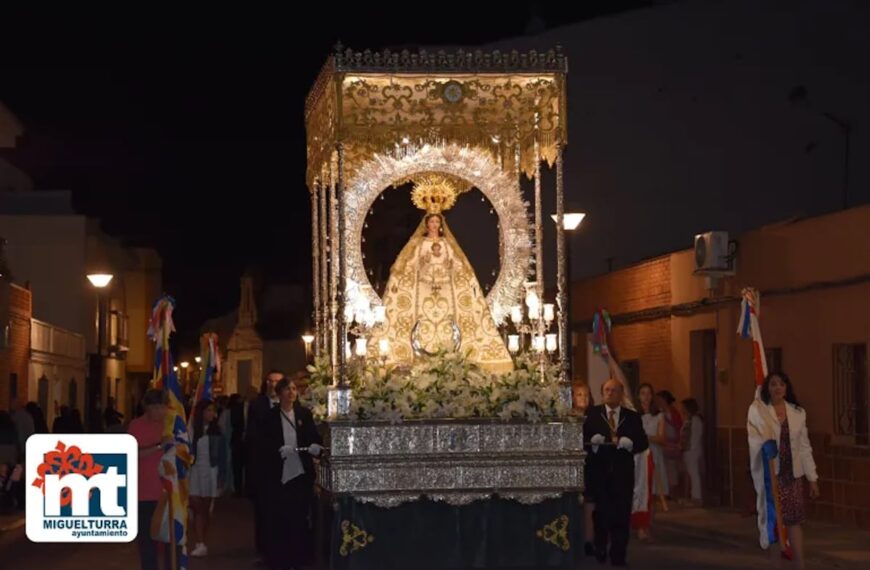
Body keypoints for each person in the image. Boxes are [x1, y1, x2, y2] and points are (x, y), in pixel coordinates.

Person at [369, 205, 513, 373]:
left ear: (441, 224)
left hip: (445, 289)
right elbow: (406, 266)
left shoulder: (448, 245)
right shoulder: (418, 244)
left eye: (437, 221)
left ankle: (454, 355)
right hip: (423, 290)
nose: (434, 225)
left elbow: (460, 266)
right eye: (432, 221)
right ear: (426, 224)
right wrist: (400, 280)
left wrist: (467, 279)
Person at [748, 371, 819, 570]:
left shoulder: (798, 413)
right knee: (774, 524)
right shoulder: (760, 412)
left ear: (787, 387)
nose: (777, 388)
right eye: (773, 384)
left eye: (781, 384)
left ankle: (800, 565)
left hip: (792, 476)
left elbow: (805, 447)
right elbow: (753, 437)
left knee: (794, 521)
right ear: (767, 389)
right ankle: (775, 565)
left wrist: (812, 478)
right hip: (772, 476)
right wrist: (764, 446)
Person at [583, 378, 649, 566]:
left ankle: (618, 554)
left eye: (614, 390)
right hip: (600, 472)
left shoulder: (632, 416)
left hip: (622, 473)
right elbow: (582, 439)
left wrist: (631, 444)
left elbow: (643, 442)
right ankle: (600, 547)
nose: (609, 393)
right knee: (601, 515)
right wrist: (591, 443)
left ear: (621, 394)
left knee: (621, 514)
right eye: (606, 390)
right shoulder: (593, 414)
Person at [261, 377, 323, 570]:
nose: (291, 393)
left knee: (299, 516)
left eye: (294, 389)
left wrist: (315, 448)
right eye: (287, 389)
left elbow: (313, 437)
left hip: (300, 472)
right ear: (279, 394)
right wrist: (277, 451)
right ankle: (280, 559)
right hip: (279, 474)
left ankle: (299, 558)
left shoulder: (304, 414)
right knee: (280, 517)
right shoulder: (270, 417)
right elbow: (262, 445)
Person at [128, 389, 177, 570]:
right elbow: (134, 452)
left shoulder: (170, 425)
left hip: (168, 494)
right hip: (144, 494)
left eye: (163, 407)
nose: (160, 411)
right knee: (147, 543)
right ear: (147, 407)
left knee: (171, 543)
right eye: (156, 407)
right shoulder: (136, 426)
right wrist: (159, 446)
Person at [245, 370, 284, 565]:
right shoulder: (257, 405)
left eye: (278, 381)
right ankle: (264, 550)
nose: (274, 384)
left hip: (286, 467)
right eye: (271, 381)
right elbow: (252, 434)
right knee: (264, 510)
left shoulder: (292, 405)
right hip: (264, 466)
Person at [189, 399, 227, 557]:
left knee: (205, 509)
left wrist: (222, 476)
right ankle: (199, 541)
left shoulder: (217, 431)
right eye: (209, 410)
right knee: (196, 505)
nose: (212, 414)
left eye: (213, 411)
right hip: (194, 470)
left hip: (211, 471)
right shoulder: (191, 430)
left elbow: (223, 456)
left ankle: (202, 540)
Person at [631, 383, 668, 541]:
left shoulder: (658, 415)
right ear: (638, 396)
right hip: (639, 457)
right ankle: (640, 526)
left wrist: (645, 438)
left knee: (652, 493)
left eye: (648, 393)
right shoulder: (634, 415)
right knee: (639, 492)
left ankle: (648, 526)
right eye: (642, 393)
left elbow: (661, 438)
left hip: (654, 454)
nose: (645, 396)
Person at [655, 390, 683, 499]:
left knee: (671, 469)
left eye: (660, 400)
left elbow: (678, 427)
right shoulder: (657, 412)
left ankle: (671, 492)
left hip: (671, 443)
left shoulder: (673, 412)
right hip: (661, 443)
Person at [681, 398, 704, 506]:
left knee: (694, 474)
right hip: (687, 450)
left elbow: (695, 436)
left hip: (692, 451)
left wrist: (690, 448)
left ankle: (696, 497)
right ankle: (692, 496)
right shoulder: (688, 420)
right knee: (691, 473)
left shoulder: (695, 420)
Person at [229, 394, 246, 496]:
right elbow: (233, 422)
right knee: (237, 467)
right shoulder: (237, 408)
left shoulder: (256, 407)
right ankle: (237, 489)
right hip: (237, 441)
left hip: (251, 442)